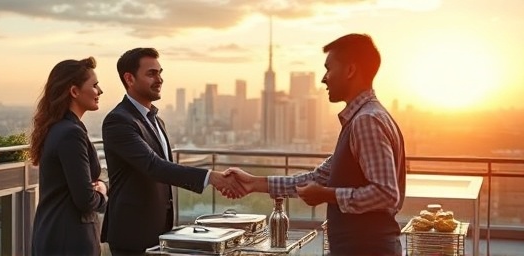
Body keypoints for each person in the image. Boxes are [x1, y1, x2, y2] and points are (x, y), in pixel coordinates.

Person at [226, 34, 406, 255]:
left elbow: (386, 193)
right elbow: (316, 179)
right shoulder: (362, 119)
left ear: (350, 71)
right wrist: (255, 183)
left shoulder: (366, 121)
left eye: (329, 69)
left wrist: (327, 195)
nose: (324, 78)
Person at [100, 47, 244, 255]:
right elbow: (153, 166)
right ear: (129, 79)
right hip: (133, 234)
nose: (159, 79)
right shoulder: (118, 121)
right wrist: (211, 177)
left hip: (161, 231)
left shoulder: (157, 120)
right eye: (151, 73)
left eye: (160, 72)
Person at [29, 56, 108, 256]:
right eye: (95, 85)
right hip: (70, 239)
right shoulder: (71, 133)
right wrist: (103, 192)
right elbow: (85, 199)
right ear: (74, 91)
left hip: (55, 233)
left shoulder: (57, 128)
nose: (100, 91)